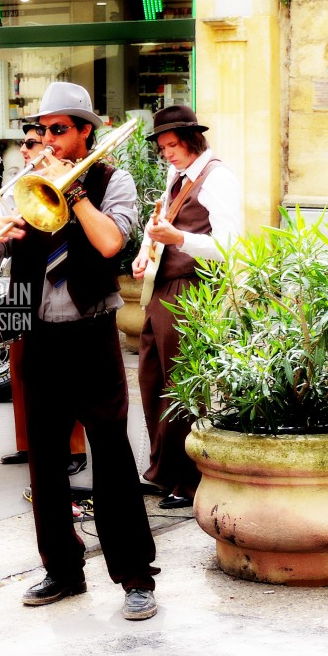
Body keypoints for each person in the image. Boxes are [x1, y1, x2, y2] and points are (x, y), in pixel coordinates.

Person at [0, 81, 159, 620]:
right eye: (42, 131)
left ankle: (134, 575)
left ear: (85, 131)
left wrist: (72, 193)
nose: (48, 140)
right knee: (46, 461)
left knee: (112, 454)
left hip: (91, 331)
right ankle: (62, 567)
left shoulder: (112, 179)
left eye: (59, 130)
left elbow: (109, 244)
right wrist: (2, 235)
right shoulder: (23, 183)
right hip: (34, 331)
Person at [131, 105, 242, 510]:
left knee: (181, 387)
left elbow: (232, 245)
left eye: (172, 146)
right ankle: (164, 470)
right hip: (163, 287)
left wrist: (178, 239)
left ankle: (187, 479)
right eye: (162, 148)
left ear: (193, 140)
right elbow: (159, 225)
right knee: (151, 380)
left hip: (193, 290)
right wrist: (145, 253)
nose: (167, 154)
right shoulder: (176, 176)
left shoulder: (218, 179)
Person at [0, 124, 87, 476]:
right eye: (23, 143)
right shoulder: (19, 181)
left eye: (32, 143)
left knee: (69, 376)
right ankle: (29, 443)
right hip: (20, 282)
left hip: (62, 287)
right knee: (20, 367)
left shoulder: (66, 176)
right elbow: (2, 226)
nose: (25, 149)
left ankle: (75, 448)